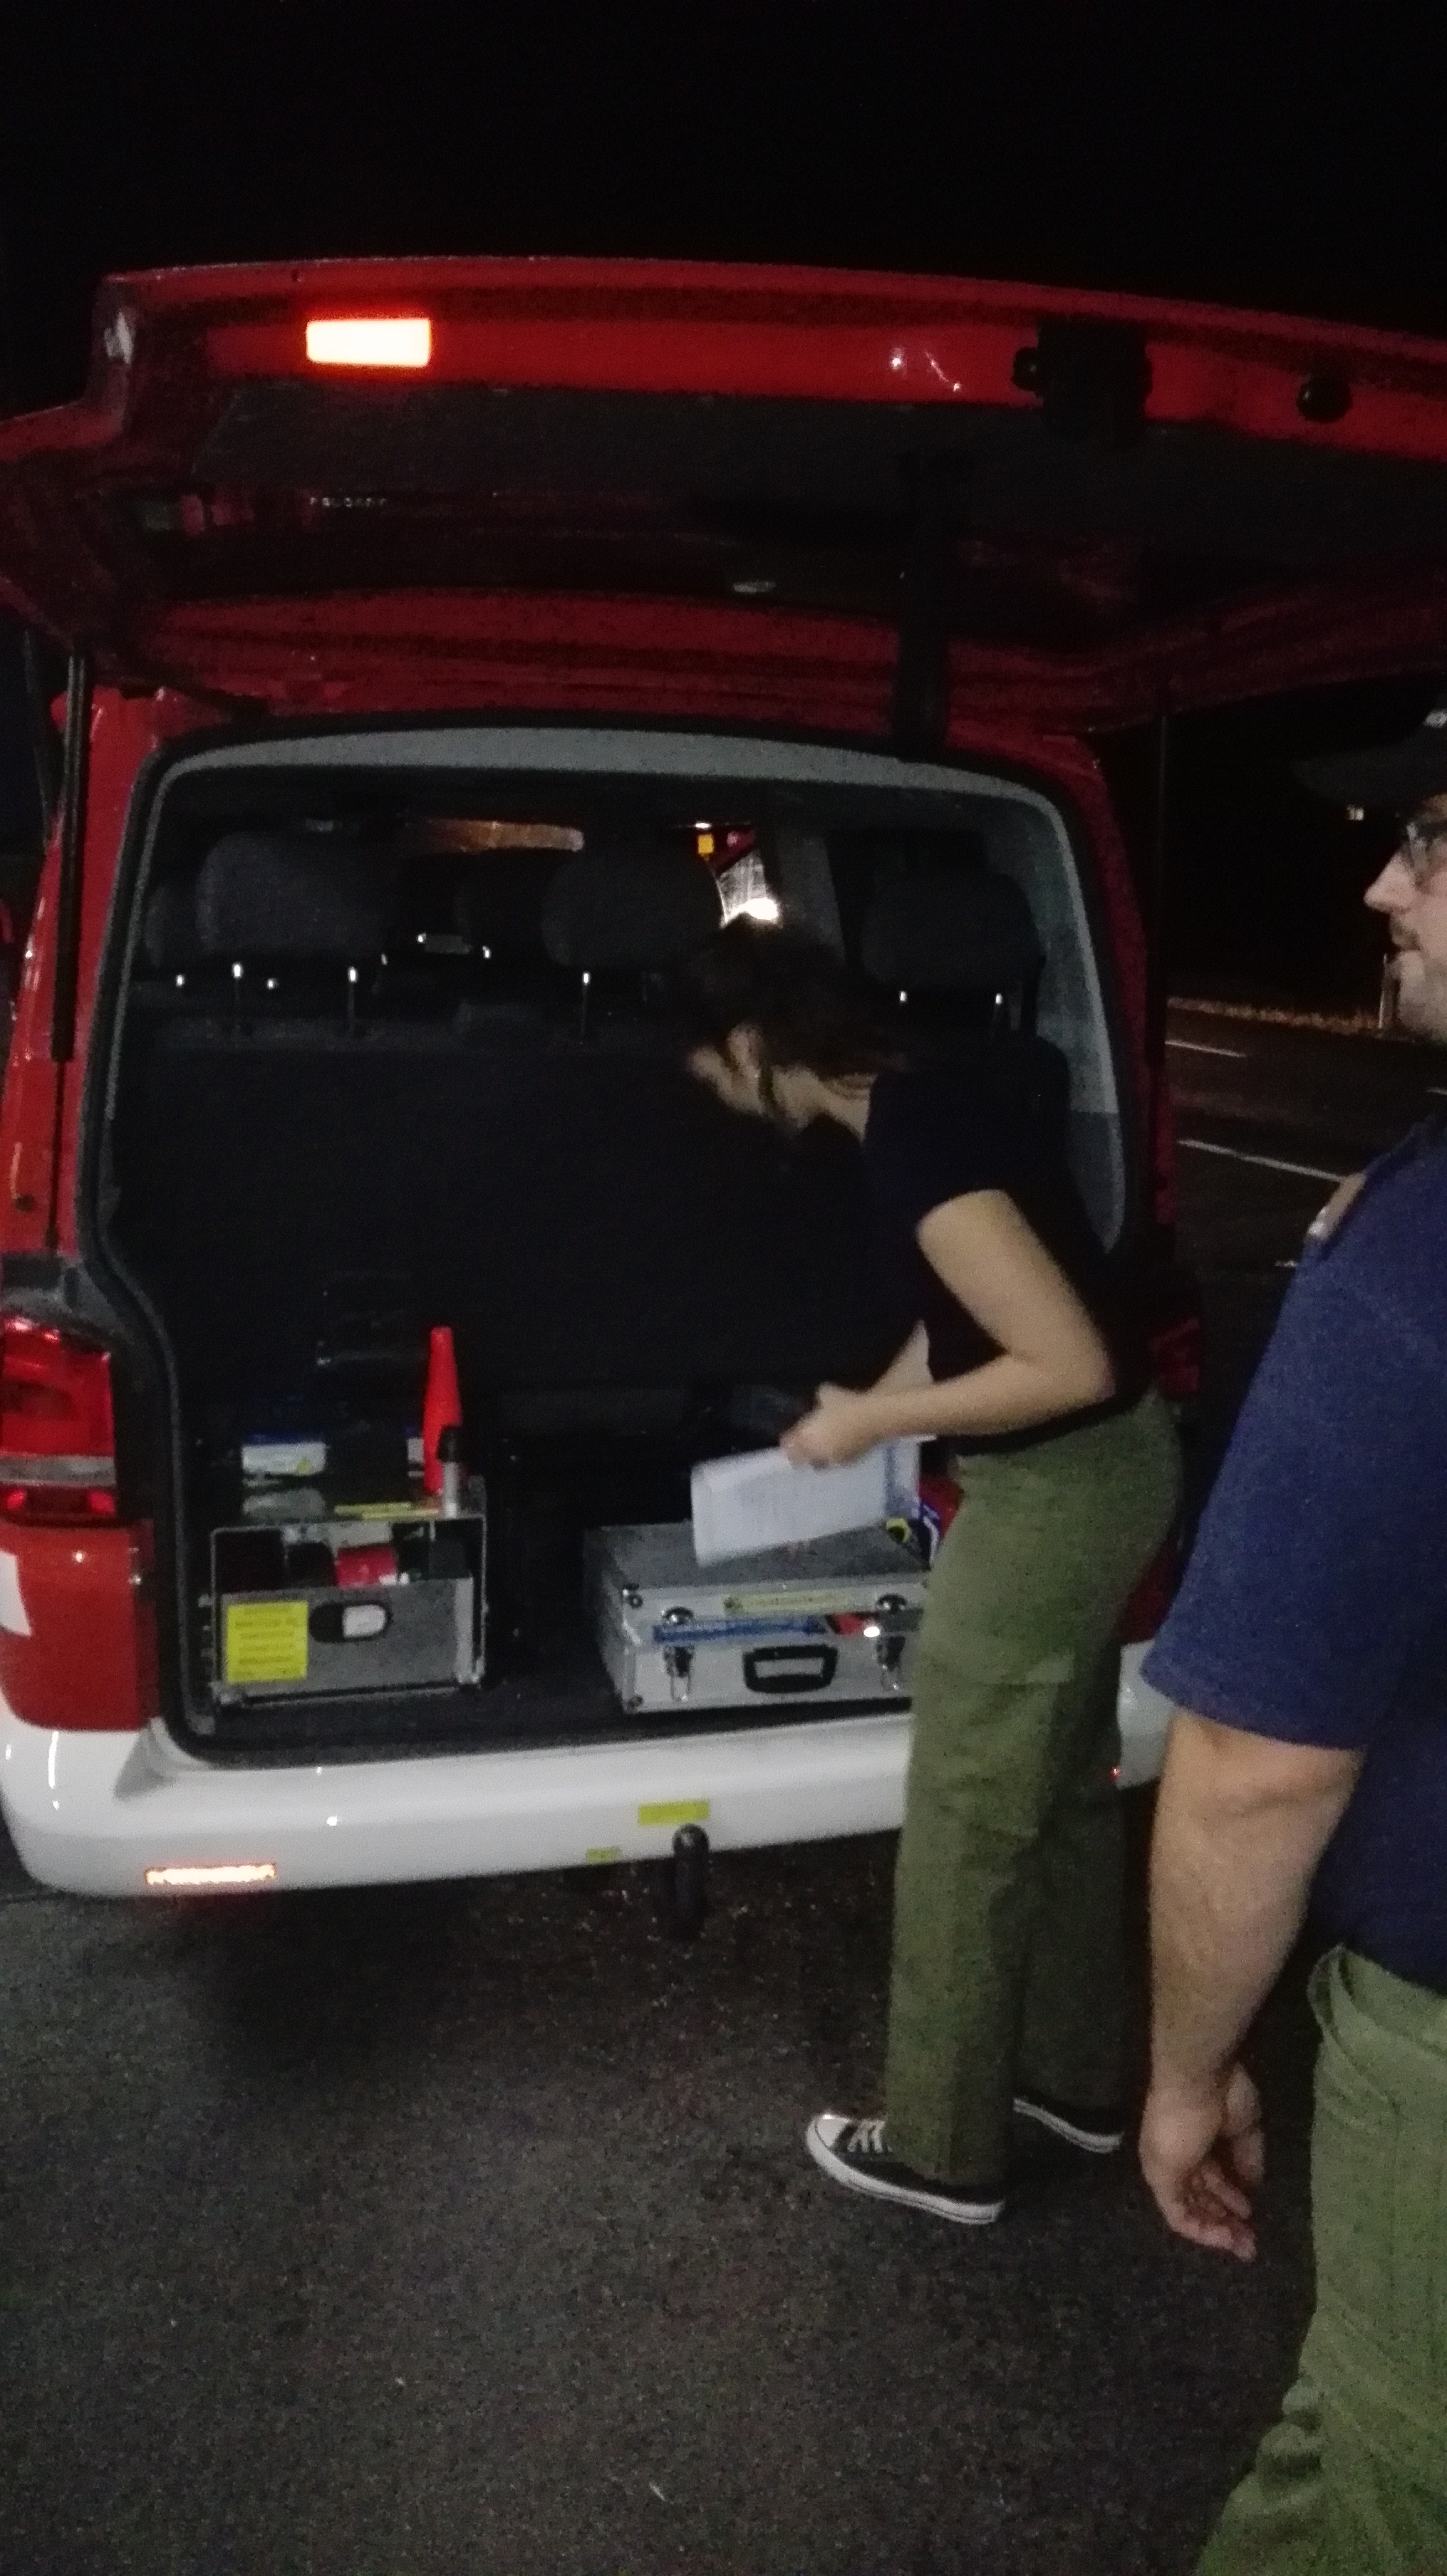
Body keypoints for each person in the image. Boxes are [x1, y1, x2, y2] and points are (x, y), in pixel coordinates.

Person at [676, 921, 1181, 2224]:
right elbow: (966, 1315)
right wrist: (871, 1408)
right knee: (1062, 1791)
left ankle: (943, 2147)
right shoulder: (928, 1095)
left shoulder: (912, 1146)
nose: (721, 1100)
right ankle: (1075, 2081)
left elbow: (1065, 1363)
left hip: (1061, 1488)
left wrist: (876, 1421)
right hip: (1100, 1473)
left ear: (752, 1046)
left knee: (966, 1817)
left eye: (715, 1074)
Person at [1139, 707, 1447, 2572]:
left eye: (1432, 840)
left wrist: (1188, 2074)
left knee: (1378, 2504)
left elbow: (1255, 1769)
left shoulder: (1415, 1269)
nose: (1385, 887)